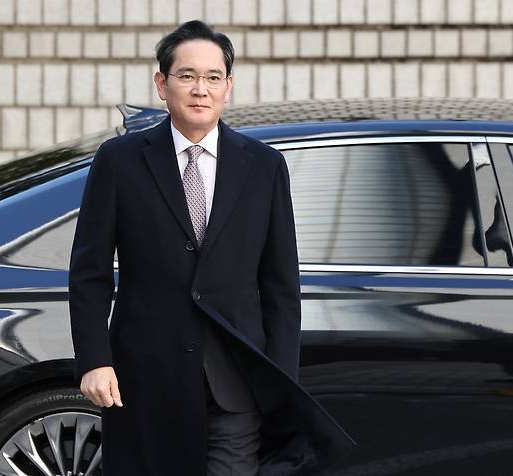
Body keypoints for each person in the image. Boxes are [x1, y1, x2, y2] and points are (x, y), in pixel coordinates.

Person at [69, 20, 353, 476]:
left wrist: (280, 381)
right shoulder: (120, 161)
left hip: (235, 383)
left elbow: (280, 286)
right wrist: (95, 361)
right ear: (162, 84)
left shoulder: (263, 166)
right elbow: (90, 272)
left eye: (212, 77)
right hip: (145, 381)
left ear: (228, 87)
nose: (200, 89)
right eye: (187, 76)